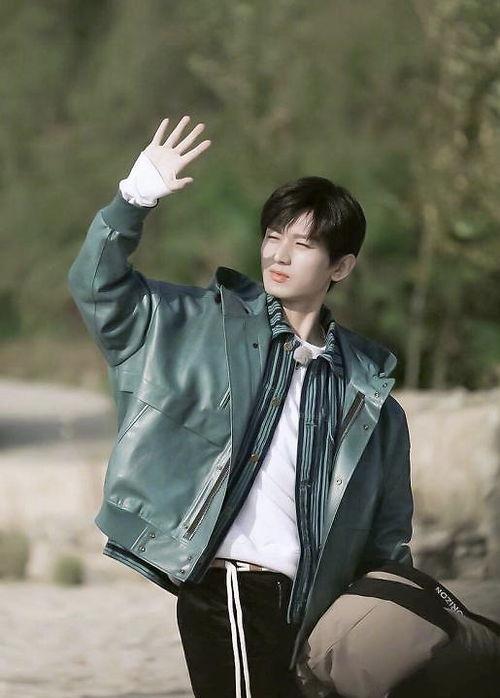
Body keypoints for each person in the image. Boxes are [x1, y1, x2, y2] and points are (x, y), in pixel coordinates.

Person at [67, 114, 414, 697]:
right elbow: (97, 289)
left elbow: (389, 534)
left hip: (317, 610)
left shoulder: (368, 395)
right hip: (230, 583)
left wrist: (388, 618)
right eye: (273, 236)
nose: (280, 254)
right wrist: (133, 199)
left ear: (341, 266)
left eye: (303, 244)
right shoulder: (200, 326)